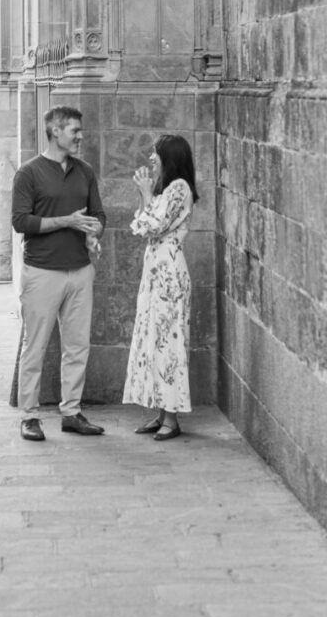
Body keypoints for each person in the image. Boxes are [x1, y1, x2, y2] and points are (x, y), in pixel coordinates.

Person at [11, 106, 106, 441]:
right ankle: (29, 416)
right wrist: (67, 221)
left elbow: (98, 214)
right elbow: (21, 222)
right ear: (54, 131)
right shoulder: (28, 173)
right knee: (34, 346)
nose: (80, 136)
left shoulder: (85, 172)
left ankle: (71, 412)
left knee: (78, 346)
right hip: (41, 272)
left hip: (80, 271)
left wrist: (95, 232)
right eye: (73, 131)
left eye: (80, 131)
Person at [123, 133, 197, 440]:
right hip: (155, 275)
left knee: (169, 343)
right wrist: (147, 195)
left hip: (168, 276)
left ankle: (173, 418)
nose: (151, 158)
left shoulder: (180, 188)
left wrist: (143, 193)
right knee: (153, 341)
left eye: (156, 154)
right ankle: (161, 411)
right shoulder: (165, 190)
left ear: (170, 157)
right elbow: (140, 225)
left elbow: (152, 224)